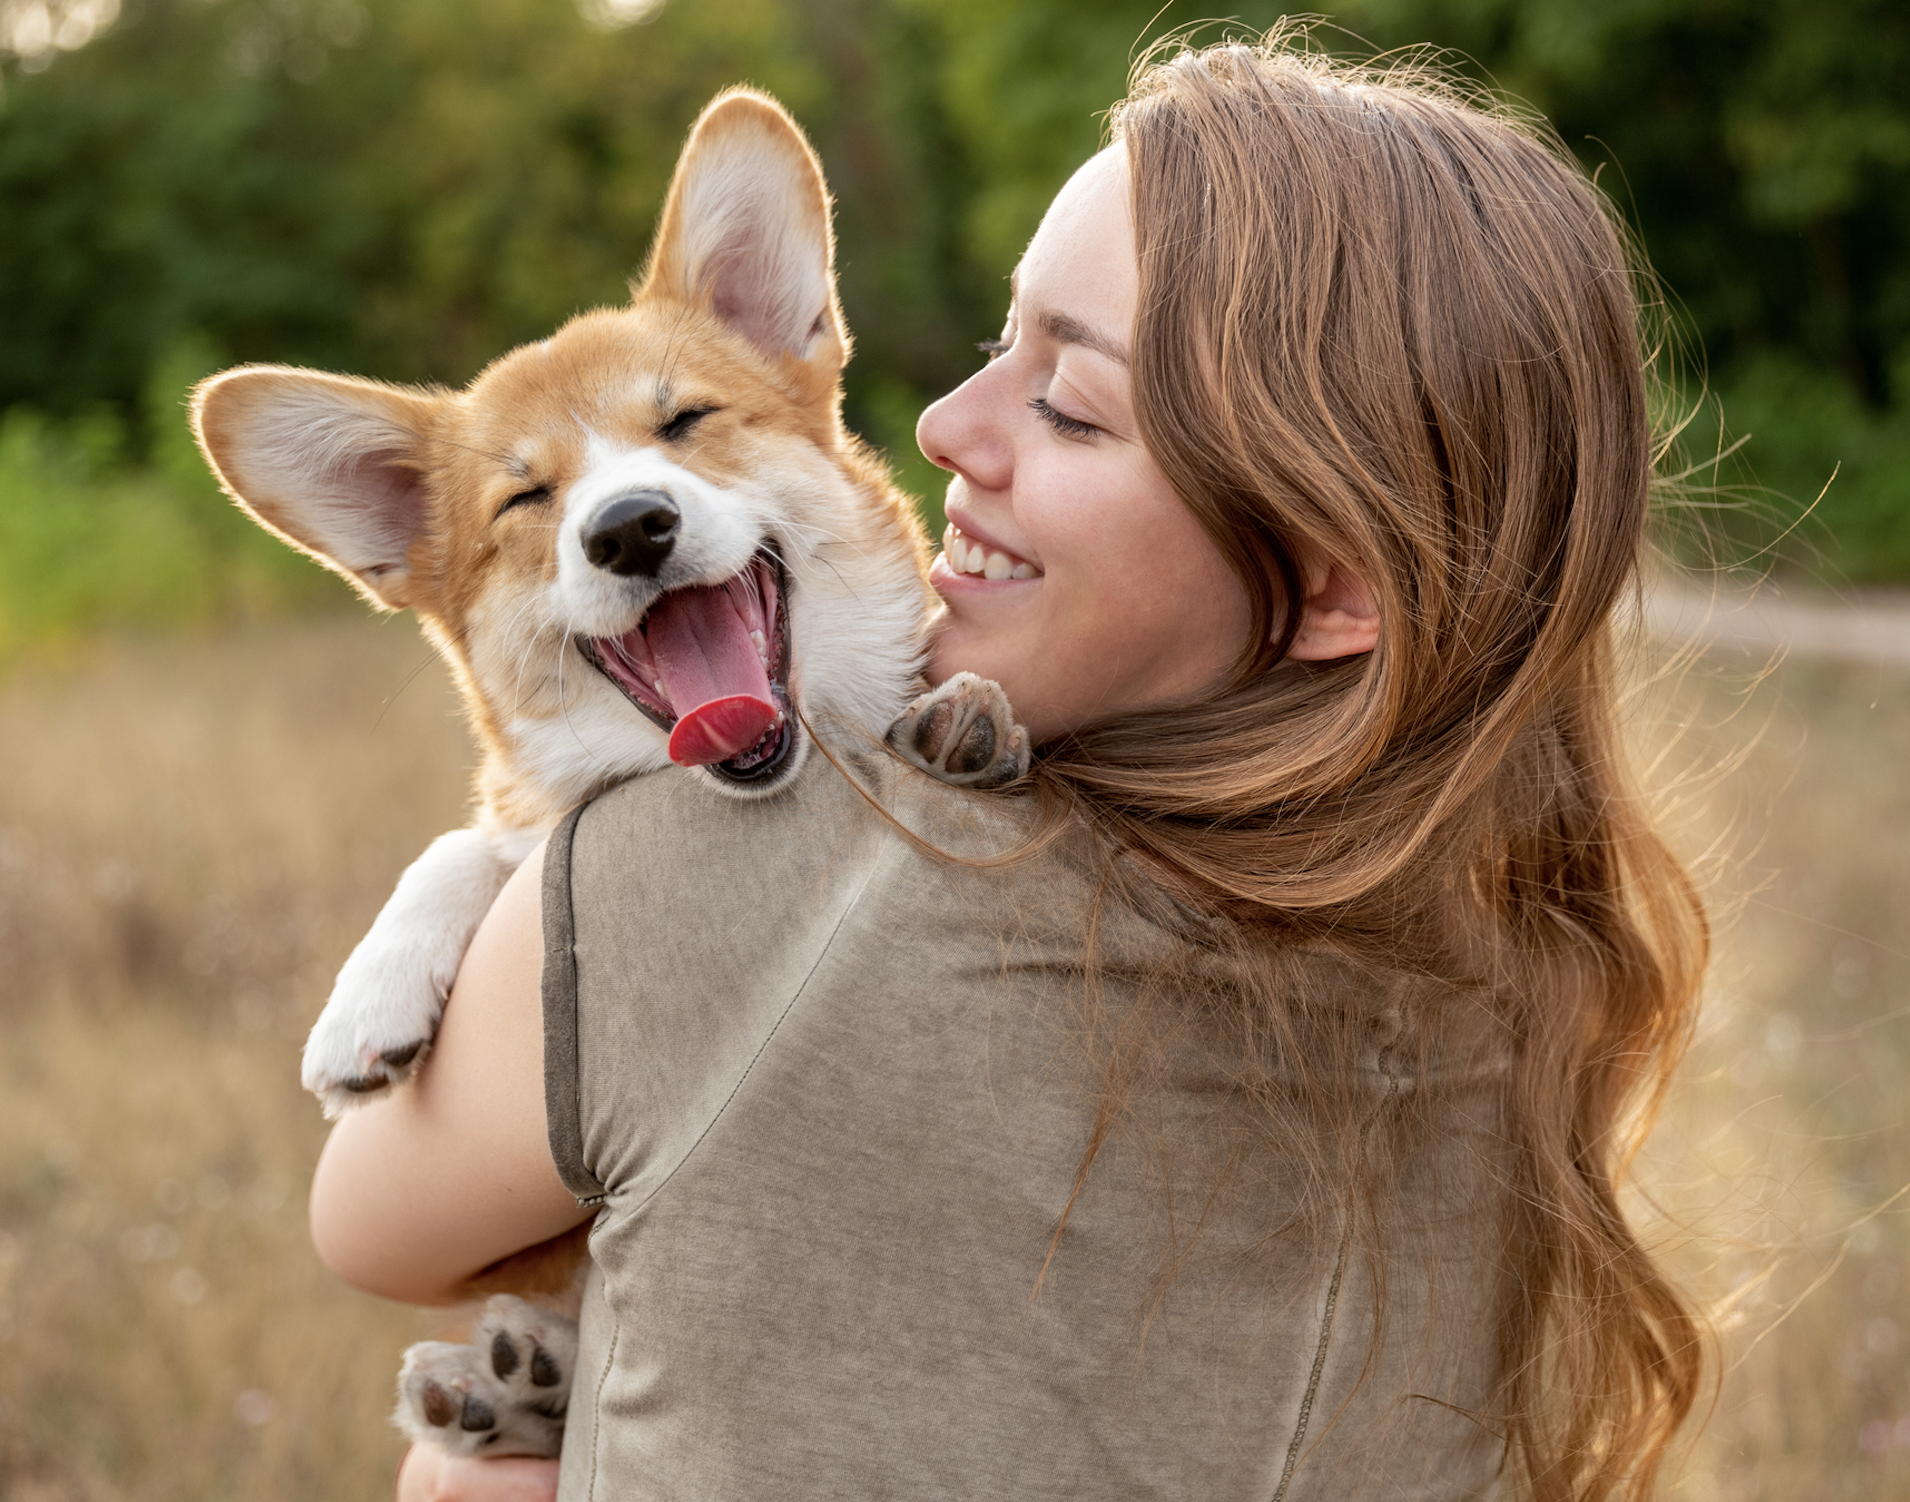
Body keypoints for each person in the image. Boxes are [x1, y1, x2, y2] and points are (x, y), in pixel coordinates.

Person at [312, 35, 1709, 1502]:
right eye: (1000, 343)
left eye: (1072, 403)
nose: (937, 429)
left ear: (1332, 578)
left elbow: (367, 1227)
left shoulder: (707, 882)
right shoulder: (1518, 997)